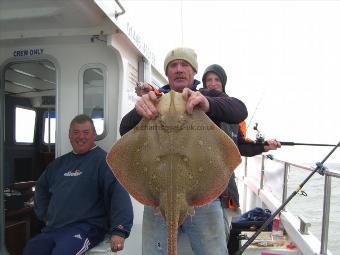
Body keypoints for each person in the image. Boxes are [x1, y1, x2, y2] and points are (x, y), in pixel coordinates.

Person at [120, 47, 248, 255]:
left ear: (194, 71)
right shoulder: (155, 98)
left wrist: (208, 103)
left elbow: (239, 110)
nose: (179, 69)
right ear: (168, 72)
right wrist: (139, 110)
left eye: (184, 65)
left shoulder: (206, 95)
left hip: (203, 196)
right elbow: (124, 130)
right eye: (173, 65)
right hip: (158, 199)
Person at [23, 114, 133, 255]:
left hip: (85, 229)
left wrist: (120, 230)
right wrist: (44, 214)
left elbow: (119, 195)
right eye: (76, 132)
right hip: (54, 228)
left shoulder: (106, 162)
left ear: (94, 135)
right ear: (69, 135)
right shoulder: (58, 164)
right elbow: (41, 188)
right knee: (31, 249)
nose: (81, 137)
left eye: (86, 132)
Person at [202, 63, 281, 243]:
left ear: (223, 84)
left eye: (217, 80)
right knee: (213, 235)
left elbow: (240, 145)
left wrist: (264, 146)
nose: (213, 84)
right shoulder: (199, 106)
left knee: (227, 232)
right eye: (209, 80)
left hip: (226, 185)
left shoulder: (233, 113)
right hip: (204, 183)